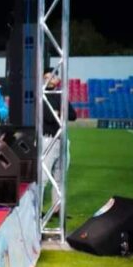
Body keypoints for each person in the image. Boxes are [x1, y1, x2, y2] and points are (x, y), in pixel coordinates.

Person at [42, 67, 77, 213]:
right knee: (43, 178)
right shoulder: (41, 96)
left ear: (57, 79)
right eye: (46, 77)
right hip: (47, 140)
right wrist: (60, 113)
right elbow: (49, 118)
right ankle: (37, 210)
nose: (49, 80)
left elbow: (73, 115)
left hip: (62, 140)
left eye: (52, 77)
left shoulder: (61, 95)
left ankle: (56, 210)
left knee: (60, 177)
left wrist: (58, 113)